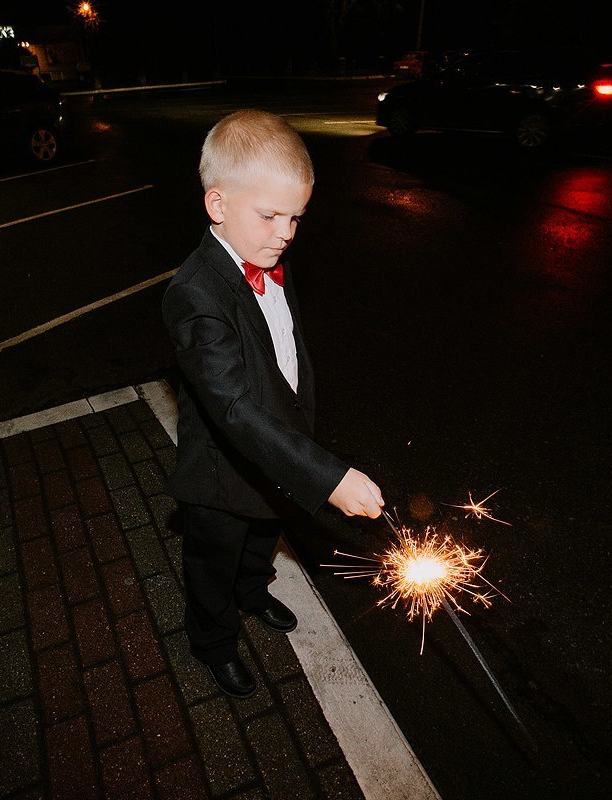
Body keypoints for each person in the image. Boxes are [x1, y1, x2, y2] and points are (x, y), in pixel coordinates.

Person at [161, 109, 385, 699]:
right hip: (222, 474)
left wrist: (300, 442)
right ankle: (212, 642)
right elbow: (233, 408)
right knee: (214, 563)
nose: (284, 233)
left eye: (295, 218)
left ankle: (254, 592)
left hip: (276, 458)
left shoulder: (265, 258)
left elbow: (283, 355)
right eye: (269, 216)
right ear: (218, 205)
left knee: (262, 541)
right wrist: (327, 476)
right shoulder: (195, 294)